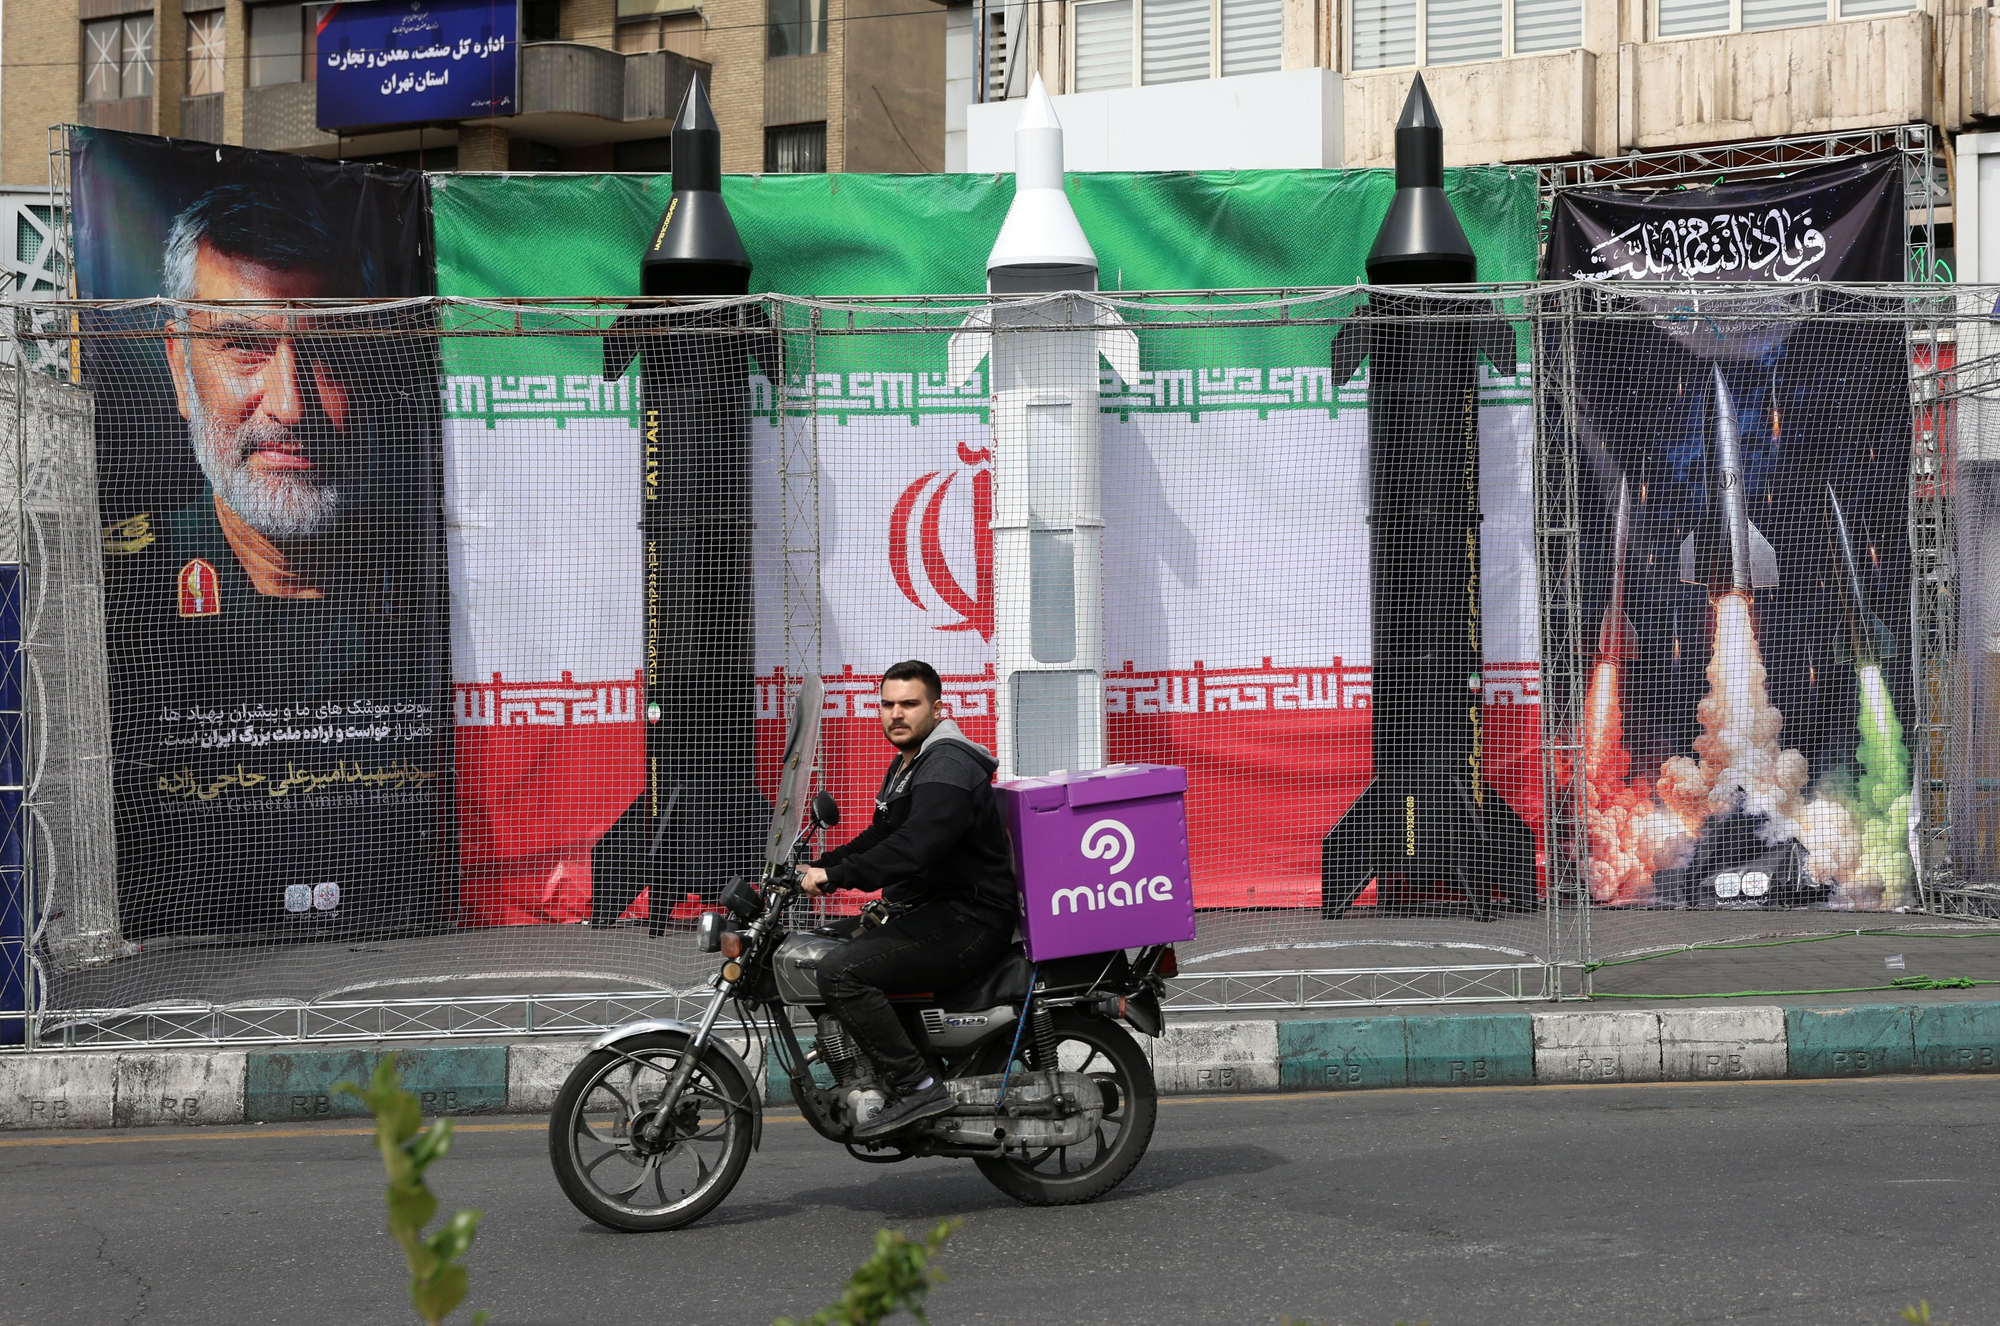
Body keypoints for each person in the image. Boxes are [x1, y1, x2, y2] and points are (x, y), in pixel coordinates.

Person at [100, 183, 446, 940]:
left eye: (323, 351)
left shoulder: (447, 588)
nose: (290, 404)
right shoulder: (112, 596)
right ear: (178, 369)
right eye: (245, 346)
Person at [801, 660, 1020, 1140]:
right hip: (935, 911)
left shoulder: (946, 764)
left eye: (909, 704)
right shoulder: (909, 763)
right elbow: (880, 836)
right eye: (887, 704)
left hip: (970, 918)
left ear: (937, 708)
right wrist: (813, 865)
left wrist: (834, 877)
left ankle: (919, 1086)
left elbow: (914, 846)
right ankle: (879, 1069)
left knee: (841, 971)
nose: (895, 714)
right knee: (814, 944)